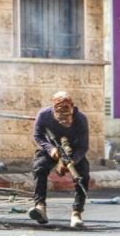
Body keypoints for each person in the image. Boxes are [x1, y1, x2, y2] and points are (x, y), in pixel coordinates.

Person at [28, 91, 89, 227]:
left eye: (67, 118)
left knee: (82, 176)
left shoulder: (81, 120)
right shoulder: (44, 114)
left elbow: (83, 146)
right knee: (40, 168)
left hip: (73, 151)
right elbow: (37, 135)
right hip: (51, 148)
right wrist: (50, 149)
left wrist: (73, 161)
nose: (64, 121)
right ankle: (40, 205)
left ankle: (77, 213)